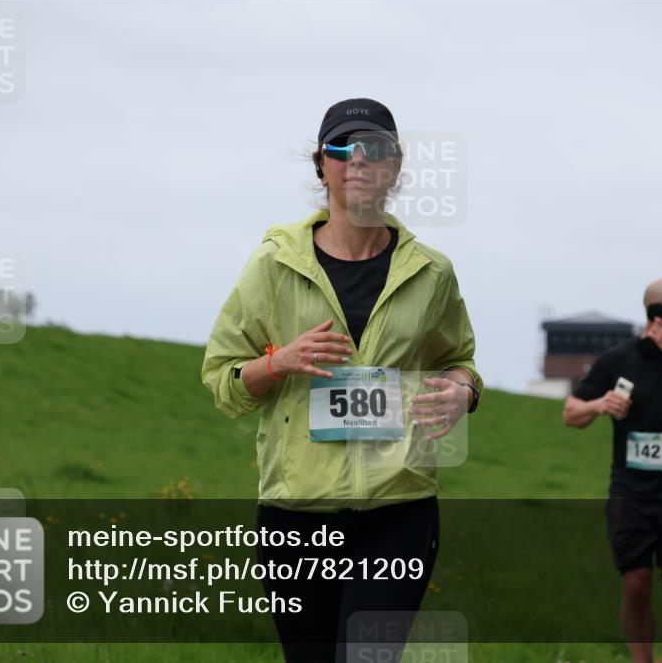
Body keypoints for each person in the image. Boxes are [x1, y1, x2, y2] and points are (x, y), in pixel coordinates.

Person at [201, 98, 482, 663]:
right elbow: (221, 379)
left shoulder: (431, 272)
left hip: (399, 510)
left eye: (375, 149)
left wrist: (462, 392)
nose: (359, 160)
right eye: (342, 149)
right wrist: (279, 363)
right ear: (321, 166)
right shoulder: (273, 266)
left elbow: (461, 359)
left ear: (395, 168)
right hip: (296, 513)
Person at [563, 278, 662, 663]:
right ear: (656, 315)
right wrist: (600, 404)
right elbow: (570, 414)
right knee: (636, 584)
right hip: (631, 494)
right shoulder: (618, 360)